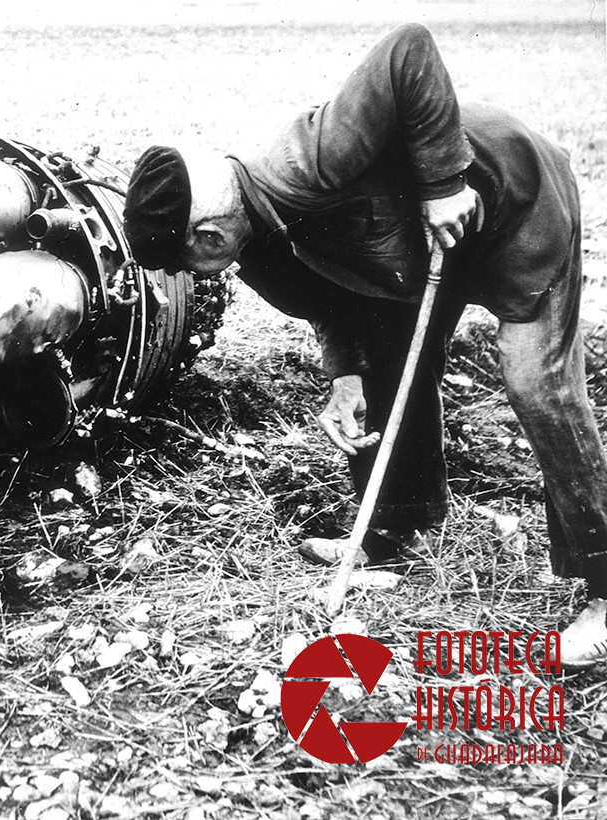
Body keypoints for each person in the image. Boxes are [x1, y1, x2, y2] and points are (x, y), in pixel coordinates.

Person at [122, 23, 607, 668]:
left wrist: (441, 185)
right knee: (386, 354)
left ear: (209, 236)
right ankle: (400, 523)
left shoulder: (308, 160)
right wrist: (345, 374)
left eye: (189, 263)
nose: (200, 279)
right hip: (425, 254)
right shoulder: (255, 247)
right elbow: (333, 299)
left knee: (535, 382)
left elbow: (409, 49)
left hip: (512, 199)